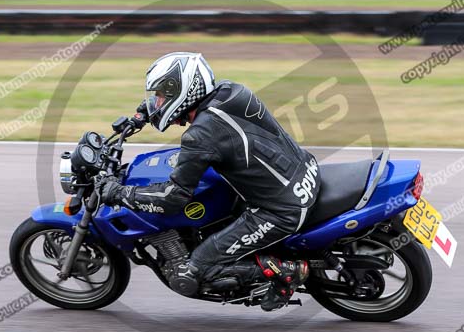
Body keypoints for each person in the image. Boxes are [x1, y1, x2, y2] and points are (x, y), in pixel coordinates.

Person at [97, 52, 320, 311]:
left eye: (161, 95)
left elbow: (173, 198)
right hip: (303, 173)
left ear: (184, 90)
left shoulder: (200, 136)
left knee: (196, 269)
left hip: (281, 209)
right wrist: (148, 112)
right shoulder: (232, 91)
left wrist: (119, 193)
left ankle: (285, 272)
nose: (158, 101)